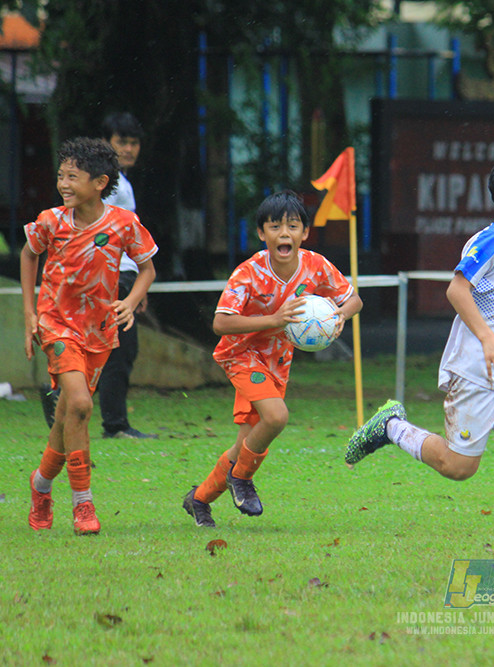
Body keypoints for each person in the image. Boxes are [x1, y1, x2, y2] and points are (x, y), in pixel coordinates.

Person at [345, 152, 494, 575]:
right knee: (459, 467)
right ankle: (391, 427)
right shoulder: (493, 239)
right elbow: (458, 290)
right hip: (478, 369)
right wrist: (488, 340)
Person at [182, 190, 362, 528]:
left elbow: (354, 300)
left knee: (244, 445)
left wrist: (339, 315)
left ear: (304, 233)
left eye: (292, 226)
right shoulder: (248, 273)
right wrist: (274, 320)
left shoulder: (316, 266)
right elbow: (221, 323)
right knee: (277, 417)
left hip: (277, 362)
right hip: (241, 355)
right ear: (261, 233)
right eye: (275, 226)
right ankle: (242, 479)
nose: (284, 233)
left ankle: (199, 499)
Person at [21, 137, 158, 534]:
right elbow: (29, 254)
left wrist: (130, 301)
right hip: (56, 324)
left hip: (99, 330)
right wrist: (30, 312)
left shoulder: (123, 223)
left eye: (72, 177)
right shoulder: (51, 221)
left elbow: (147, 269)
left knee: (69, 414)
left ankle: (40, 484)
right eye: (61, 176)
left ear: (99, 183)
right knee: (81, 404)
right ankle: (83, 504)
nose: (63, 184)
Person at [40, 112, 157, 439]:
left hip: (123, 277)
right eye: (122, 142)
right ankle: (112, 423)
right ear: (106, 144)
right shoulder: (104, 189)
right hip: (108, 278)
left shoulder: (122, 185)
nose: (129, 149)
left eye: (134, 143)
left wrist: (136, 289)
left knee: (109, 348)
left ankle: (61, 397)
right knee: (118, 349)